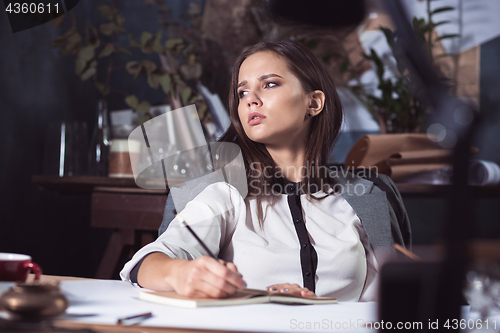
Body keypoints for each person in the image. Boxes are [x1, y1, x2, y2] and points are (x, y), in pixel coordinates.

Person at [120, 40, 411, 302]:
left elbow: (384, 302)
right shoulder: (225, 193)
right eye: (242, 91)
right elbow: (147, 264)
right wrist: (181, 274)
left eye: (269, 84)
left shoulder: (364, 198)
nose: (250, 99)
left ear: (314, 102)